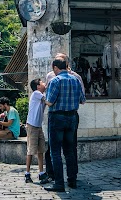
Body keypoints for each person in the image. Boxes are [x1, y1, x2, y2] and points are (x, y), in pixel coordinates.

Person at [42, 53, 85, 184]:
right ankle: (72, 180)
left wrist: (43, 99)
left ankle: (59, 182)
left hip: (57, 117)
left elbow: (50, 101)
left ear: (55, 67)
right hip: (72, 117)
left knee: (55, 151)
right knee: (69, 150)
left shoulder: (55, 80)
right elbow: (82, 99)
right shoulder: (76, 79)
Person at [25, 79, 47, 184]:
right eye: (42, 82)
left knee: (41, 150)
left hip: (38, 126)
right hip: (32, 126)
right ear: (38, 86)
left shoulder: (40, 94)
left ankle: (41, 173)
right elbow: (48, 101)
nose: (44, 83)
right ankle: (27, 173)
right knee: (31, 150)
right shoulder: (37, 93)